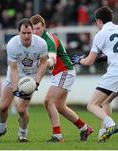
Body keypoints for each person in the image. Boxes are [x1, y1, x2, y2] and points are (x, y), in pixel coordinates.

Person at [72, 6, 118, 142]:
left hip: (116, 73)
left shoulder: (101, 34)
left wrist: (79, 60)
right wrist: (100, 58)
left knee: (92, 104)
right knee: (106, 102)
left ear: (98, 21)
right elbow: (117, 53)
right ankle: (102, 135)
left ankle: (111, 125)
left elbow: (88, 61)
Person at [30, 15, 93, 143]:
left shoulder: (49, 40)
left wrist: (41, 67)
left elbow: (52, 59)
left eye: (38, 28)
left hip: (65, 72)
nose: (36, 32)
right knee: (60, 107)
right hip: (59, 74)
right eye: (34, 29)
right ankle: (84, 128)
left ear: (44, 27)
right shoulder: (36, 41)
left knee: (48, 101)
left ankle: (57, 136)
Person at [0, 18, 48, 143]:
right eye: (23, 33)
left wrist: (36, 82)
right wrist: (15, 89)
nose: (26, 36)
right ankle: (1, 130)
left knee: (21, 109)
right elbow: (14, 69)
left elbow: (43, 64)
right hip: (14, 74)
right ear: (18, 32)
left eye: (29, 33)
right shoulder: (12, 44)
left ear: (32, 32)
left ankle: (23, 135)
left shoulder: (41, 44)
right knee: (3, 106)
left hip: (30, 77)